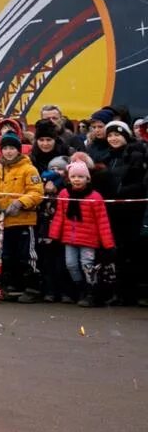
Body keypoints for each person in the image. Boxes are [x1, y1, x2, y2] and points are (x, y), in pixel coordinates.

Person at [0, 132, 43, 301]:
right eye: (6, 148)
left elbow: (37, 193)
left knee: (27, 255)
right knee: (7, 255)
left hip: (24, 220)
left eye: (12, 148)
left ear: (19, 150)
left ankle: (33, 288)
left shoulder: (29, 169)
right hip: (4, 221)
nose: (9, 152)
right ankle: (13, 287)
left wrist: (20, 203)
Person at [49, 160, 115, 307]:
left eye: (80, 176)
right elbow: (59, 216)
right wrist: (53, 236)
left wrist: (108, 244)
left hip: (88, 239)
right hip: (69, 237)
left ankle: (90, 290)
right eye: (74, 177)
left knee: (87, 265)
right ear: (69, 178)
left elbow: (102, 222)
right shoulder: (64, 194)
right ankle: (79, 288)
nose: (77, 179)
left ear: (87, 178)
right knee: (71, 264)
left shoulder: (95, 196)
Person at [99, 120, 145, 305]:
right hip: (110, 212)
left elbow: (140, 183)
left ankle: (132, 293)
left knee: (131, 252)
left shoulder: (135, 155)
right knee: (114, 253)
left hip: (131, 212)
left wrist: (120, 193)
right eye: (110, 135)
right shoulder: (106, 158)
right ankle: (116, 292)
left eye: (117, 135)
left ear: (125, 136)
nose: (113, 139)